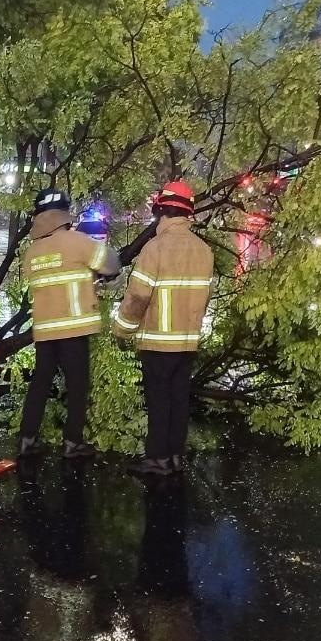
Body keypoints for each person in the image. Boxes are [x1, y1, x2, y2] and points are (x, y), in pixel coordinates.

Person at [114, 181, 214, 475]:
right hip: (187, 343)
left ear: (162, 212)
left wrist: (122, 331)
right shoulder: (204, 251)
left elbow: (137, 297)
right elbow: (203, 297)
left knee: (159, 401)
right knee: (179, 400)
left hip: (158, 343)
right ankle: (174, 457)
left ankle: (157, 459)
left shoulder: (154, 249)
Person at [18, 188, 119, 459]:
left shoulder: (32, 253)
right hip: (74, 328)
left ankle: (27, 438)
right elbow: (111, 264)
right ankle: (72, 442)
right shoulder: (78, 242)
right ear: (64, 214)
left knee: (40, 382)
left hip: (45, 331)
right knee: (77, 385)